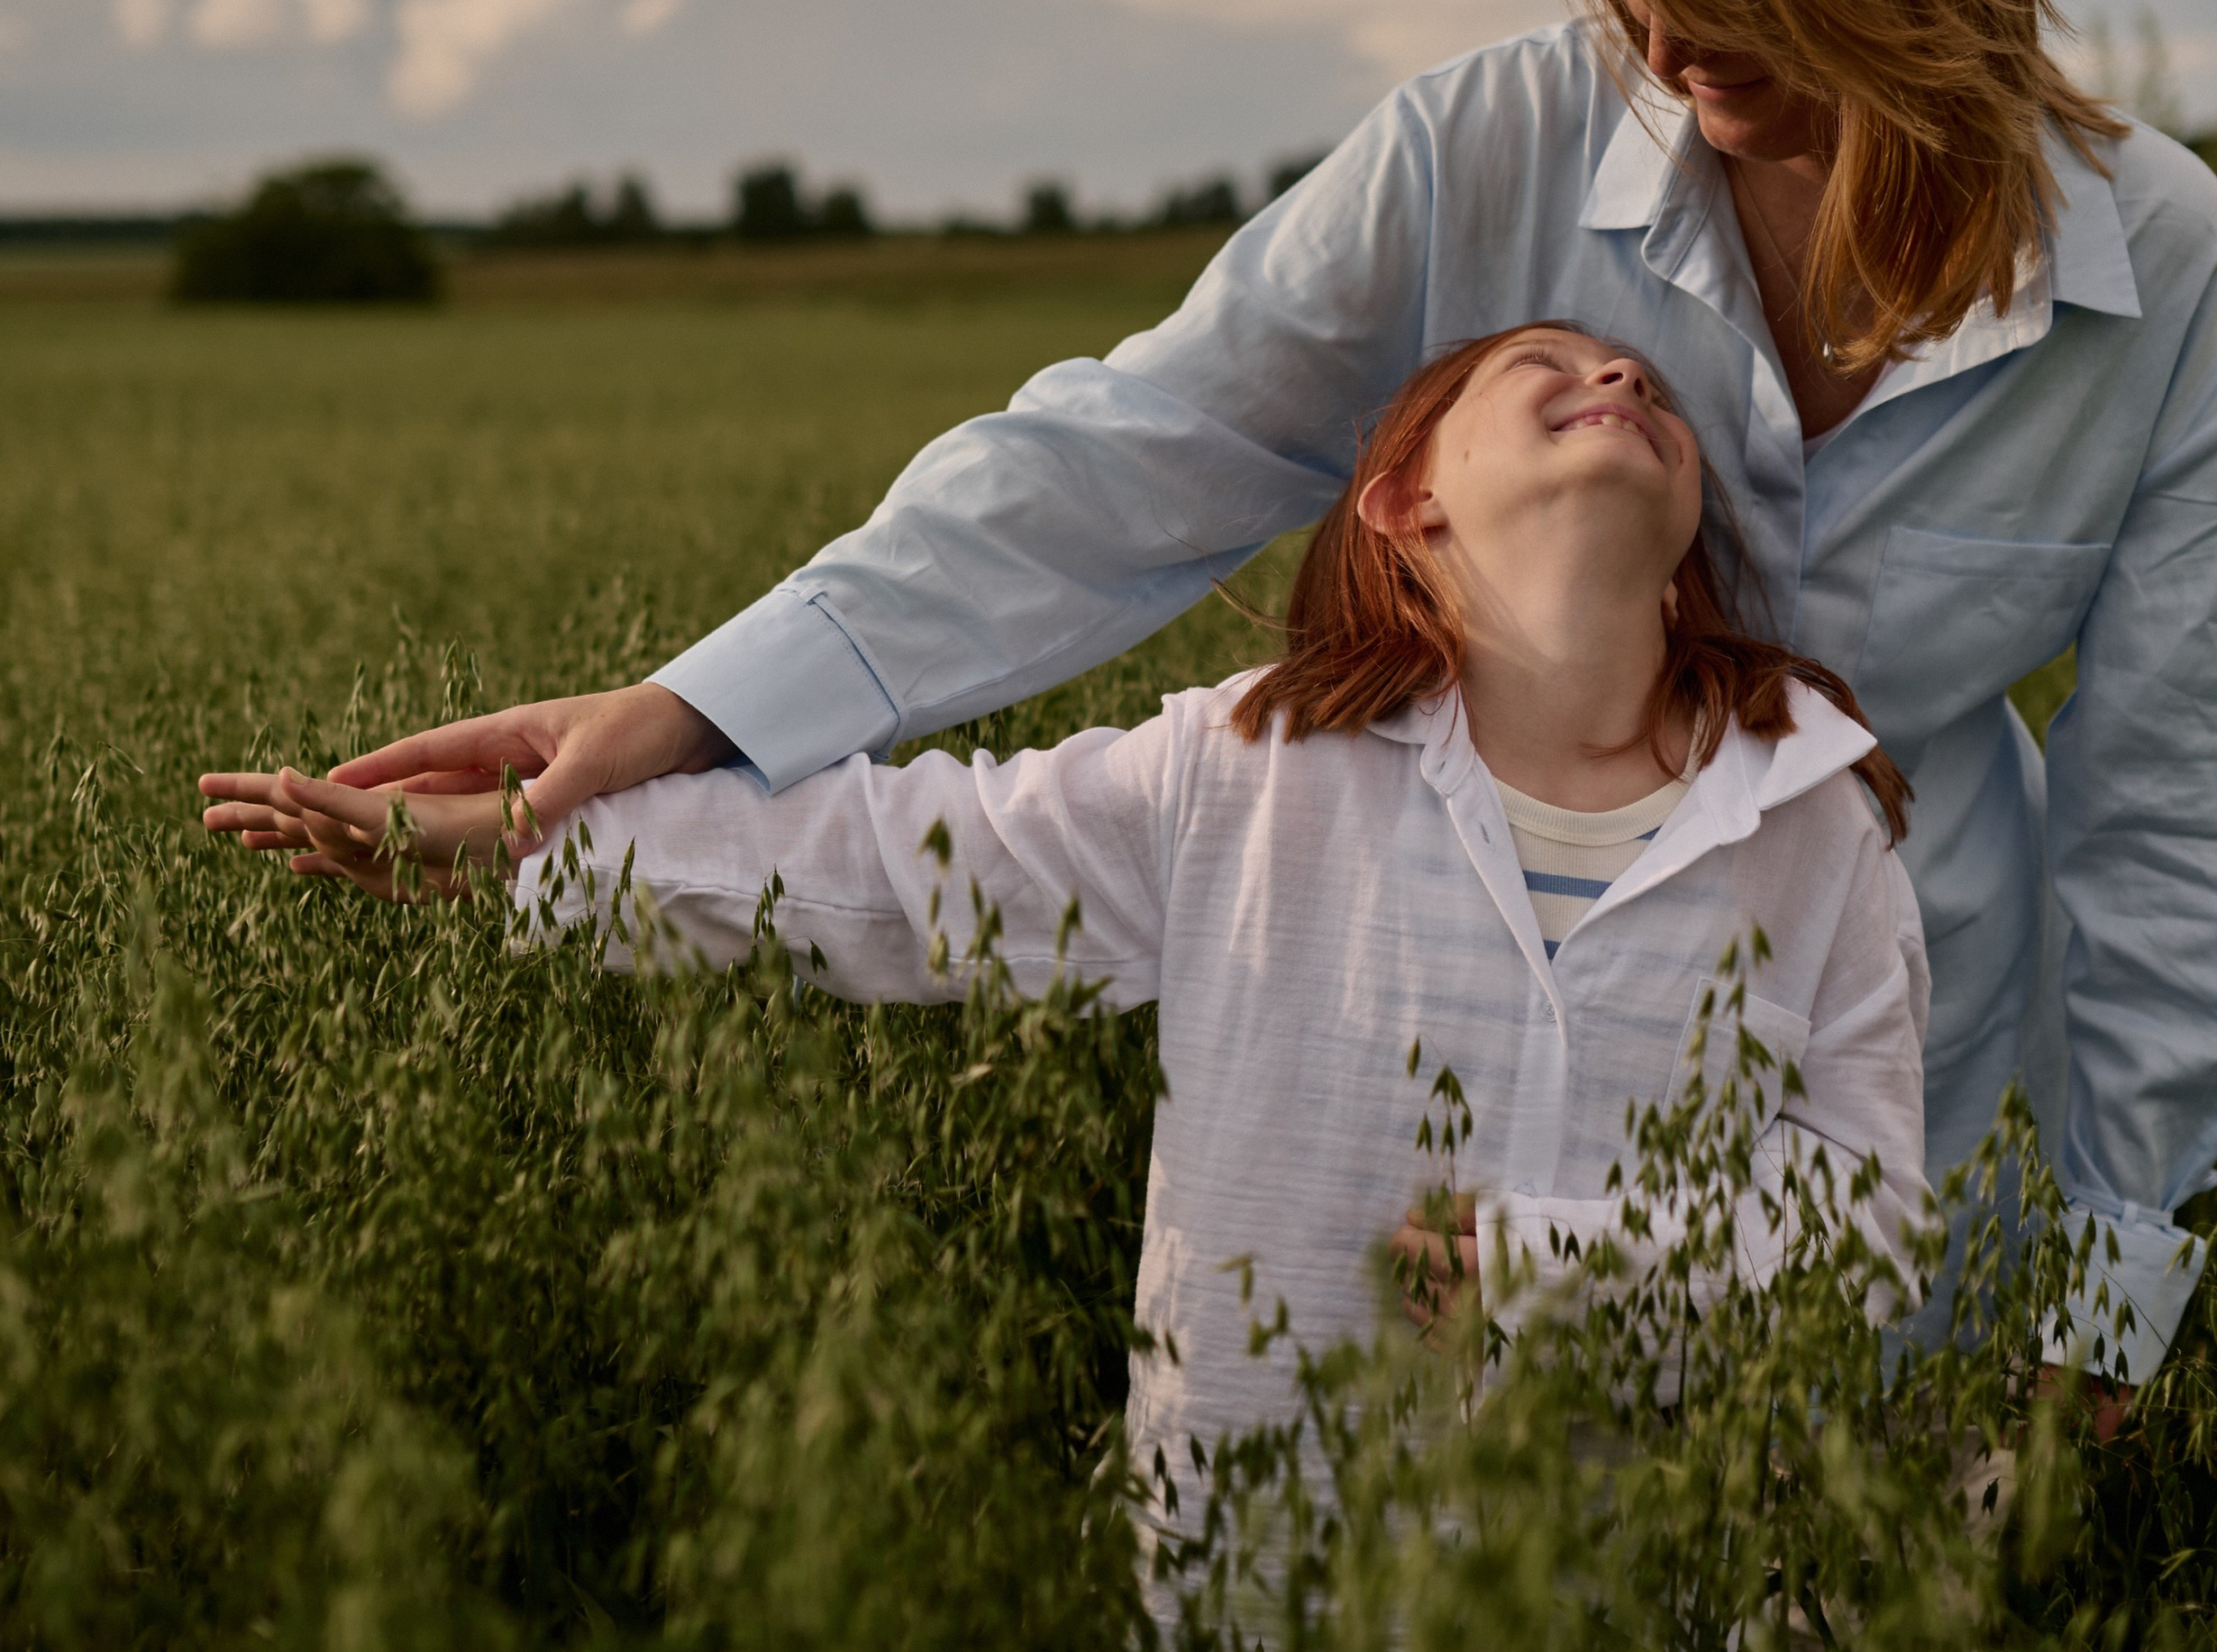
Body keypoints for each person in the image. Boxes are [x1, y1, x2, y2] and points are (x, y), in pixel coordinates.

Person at [207, 0, 2217, 1381]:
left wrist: (2088, 1299)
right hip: (1438, 1152)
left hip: (1883, 1172)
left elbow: (2176, 804)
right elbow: (1132, 452)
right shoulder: (1482, 149)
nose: (1659, 25)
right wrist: (680, 711)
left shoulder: (2158, 267)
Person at [202, 323, 1930, 1578]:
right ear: (1405, 502)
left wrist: (1551, 1263)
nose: (1618, 381)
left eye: (1649, 388)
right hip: (1286, 1611)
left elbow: (1866, 1227)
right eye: (1547, 372)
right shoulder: (1250, 774)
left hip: (1673, 1633)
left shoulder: (1812, 824)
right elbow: (887, 867)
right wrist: (531, 842)